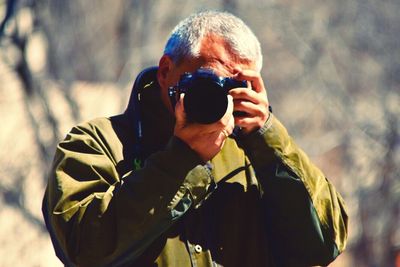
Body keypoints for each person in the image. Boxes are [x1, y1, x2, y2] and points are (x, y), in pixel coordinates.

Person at [42, 11, 348, 267]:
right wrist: (181, 159)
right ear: (165, 72)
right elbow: (83, 249)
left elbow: (325, 244)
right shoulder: (98, 143)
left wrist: (268, 136)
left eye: (236, 85)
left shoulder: (258, 154)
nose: (219, 96)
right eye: (207, 81)